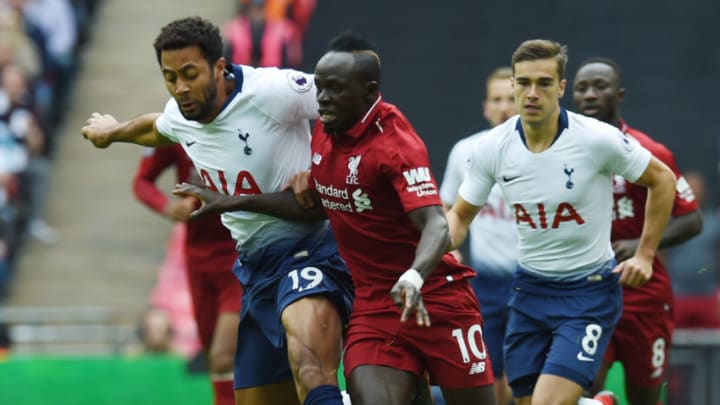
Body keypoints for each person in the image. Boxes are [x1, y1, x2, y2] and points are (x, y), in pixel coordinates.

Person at [173, 31, 497, 405]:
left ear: (368, 91)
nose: (321, 98)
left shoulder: (396, 145)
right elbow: (318, 205)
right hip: (374, 307)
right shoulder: (326, 132)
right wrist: (236, 202)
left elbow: (437, 225)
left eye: (334, 89)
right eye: (320, 86)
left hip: (434, 300)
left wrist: (412, 276)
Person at [81, 16, 354, 405]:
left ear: (220, 66)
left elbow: (346, 102)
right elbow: (156, 128)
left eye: (190, 73)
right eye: (170, 77)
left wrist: (319, 165)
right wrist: (112, 131)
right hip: (256, 269)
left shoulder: (272, 91)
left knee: (311, 370)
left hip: (311, 252)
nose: (181, 88)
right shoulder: (180, 115)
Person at [444, 39, 677, 405]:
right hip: (528, 292)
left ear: (561, 87)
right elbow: (458, 216)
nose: (532, 93)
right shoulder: (491, 147)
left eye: (544, 83)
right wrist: (421, 262)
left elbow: (662, 179)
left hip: (588, 293)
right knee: (517, 400)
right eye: (523, 83)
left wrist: (646, 254)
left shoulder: (598, 139)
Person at [572, 57, 703, 405]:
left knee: (645, 397)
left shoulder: (650, 153)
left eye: (600, 86)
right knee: (577, 389)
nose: (589, 95)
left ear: (620, 94)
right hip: (588, 291)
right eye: (582, 88)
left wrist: (641, 244)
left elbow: (692, 220)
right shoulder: (562, 155)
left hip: (642, 294)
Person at [133, 143, 241, 405]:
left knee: (223, 354)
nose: (184, 99)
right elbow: (142, 182)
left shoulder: (242, 125)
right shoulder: (174, 130)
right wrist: (168, 208)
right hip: (197, 259)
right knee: (212, 354)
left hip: (240, 256)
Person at [438, 66, 517, 405]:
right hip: (484, 284)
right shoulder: (465, 152)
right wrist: (452, 253)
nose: (504, 107)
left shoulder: (544, 153)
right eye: (497, 99)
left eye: (511, 99)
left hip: (533, 279)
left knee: (522, 379)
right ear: (485, 107)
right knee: (490, 376)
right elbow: (445, 208)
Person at [665, 171, 720, 329]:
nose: (694, 191)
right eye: (690, 187)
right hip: (677, 293)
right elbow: (661, 256)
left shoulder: (714, 222)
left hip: (708, 293)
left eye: (697, 187)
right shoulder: (669, 223)